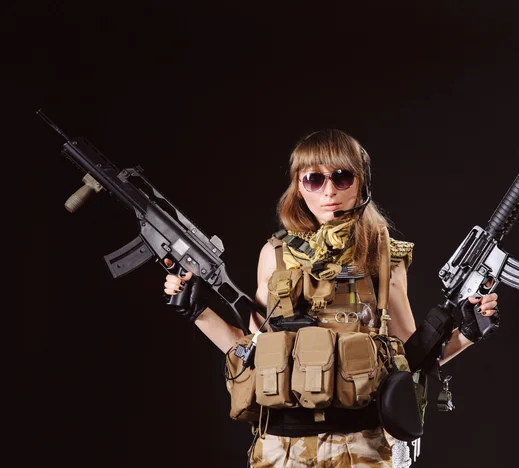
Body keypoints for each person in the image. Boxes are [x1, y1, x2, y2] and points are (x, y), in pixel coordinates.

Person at [163, 129, 499, 467]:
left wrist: (467, 334)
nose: (329, 191)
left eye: (342, 177)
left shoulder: (383, 257)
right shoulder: (275, 255)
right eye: (313, 179)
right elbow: (251, 350)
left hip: (362, 448)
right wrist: (198, 310)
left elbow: (409, 360)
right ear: (298, 186)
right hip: (282, 449)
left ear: (361, 184)